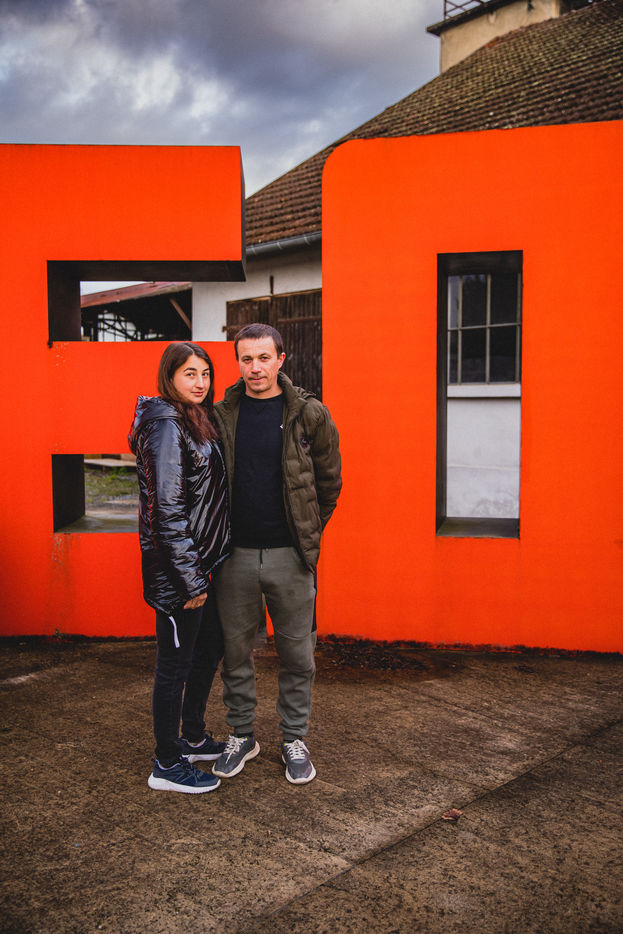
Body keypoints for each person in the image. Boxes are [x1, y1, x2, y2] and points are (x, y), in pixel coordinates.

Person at [211, 323, 341, 785]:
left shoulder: (309, 414)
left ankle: (293, 738)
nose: (255, 368)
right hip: (235, 556)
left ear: (280, 359)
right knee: (235, 654)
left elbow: (329, 482)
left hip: (290, 556)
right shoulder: (222, 414)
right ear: (238, 362)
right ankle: (241, 735)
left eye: (263, 358)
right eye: (246, 359)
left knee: (297, 654)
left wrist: (306, 532)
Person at [129, 342, 230, 795]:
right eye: (190, 373)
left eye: (205, 373)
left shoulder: (192, 419)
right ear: (168, 377)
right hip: (179, 575)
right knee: (174, 667)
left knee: (207, 650)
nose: (201, 382)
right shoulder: (165, 425)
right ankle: (167, 763)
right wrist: (190, 580)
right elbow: (166, 511)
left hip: (203, 565)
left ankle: (191, 737)